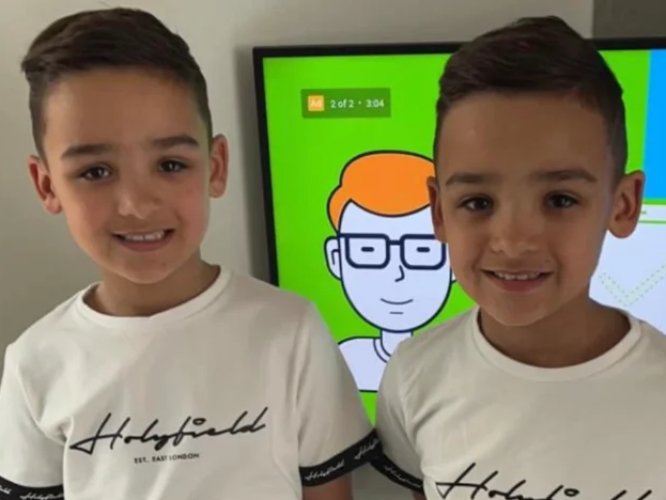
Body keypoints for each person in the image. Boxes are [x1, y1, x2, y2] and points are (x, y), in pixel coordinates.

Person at [0, 8, 376, 499]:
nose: (137, 205)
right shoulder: (34, 363)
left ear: (215, 167)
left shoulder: (290, 331)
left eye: (170, 164)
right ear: (47, 185)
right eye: (95, 172)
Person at [372, 16, 666, 500]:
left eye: (560, 200)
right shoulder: (414, 374)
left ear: (623, 205)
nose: (512, 242)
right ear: (439, 211)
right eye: (477, 203)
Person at [325, 150, 454, 392]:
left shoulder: (461, 365)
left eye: (421, 250)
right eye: (368, 249)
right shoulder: (343, 362)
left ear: (454, 255)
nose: (397, 273)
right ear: (336, 257)